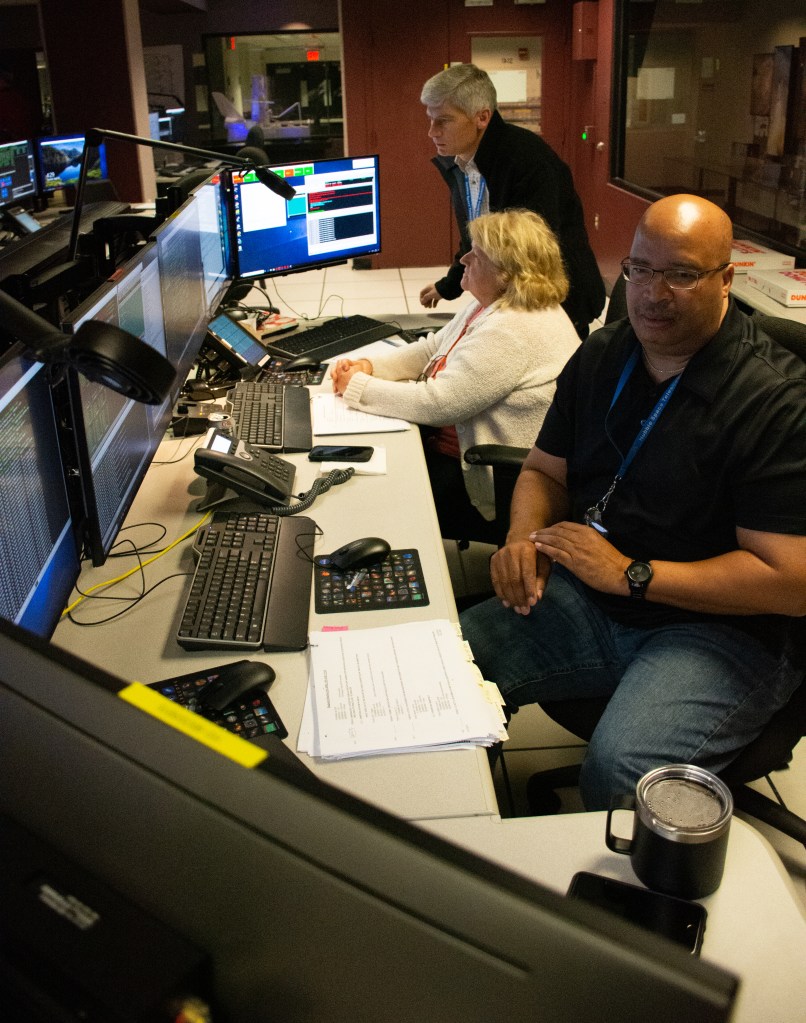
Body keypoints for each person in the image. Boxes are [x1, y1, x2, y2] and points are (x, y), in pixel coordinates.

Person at [460, 193, 806, 811]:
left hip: (721, 631)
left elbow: (789, 581)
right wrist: (522, 537)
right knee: (446, 678)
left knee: (623, 772)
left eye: (681, 274)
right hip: (595, 593)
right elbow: (543, 471)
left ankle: (609, 906)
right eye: (640, 269)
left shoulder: (775, 401)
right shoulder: (601, 356)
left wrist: (632, 575)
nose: (653, 292)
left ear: (726, 279)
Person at [331, 209, 580, 543]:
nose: (463, 259)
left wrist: (358, 387)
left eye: (476, 255)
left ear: (506, 274)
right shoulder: (495, 302)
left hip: (501, 479)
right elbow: (432, 347)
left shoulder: (514, 327)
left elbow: (440, 404)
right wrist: (371, 367)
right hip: (457, 444)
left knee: (371, 488)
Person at [419, 63, 605, 339]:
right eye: (430, 119)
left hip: (555, 305)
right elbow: (476, 243)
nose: (432, 131)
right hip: (509, 301)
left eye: (443, 121)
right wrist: (448, 286)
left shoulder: (527, 161)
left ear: (482, 117)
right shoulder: (460, 164)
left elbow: (531, 258)